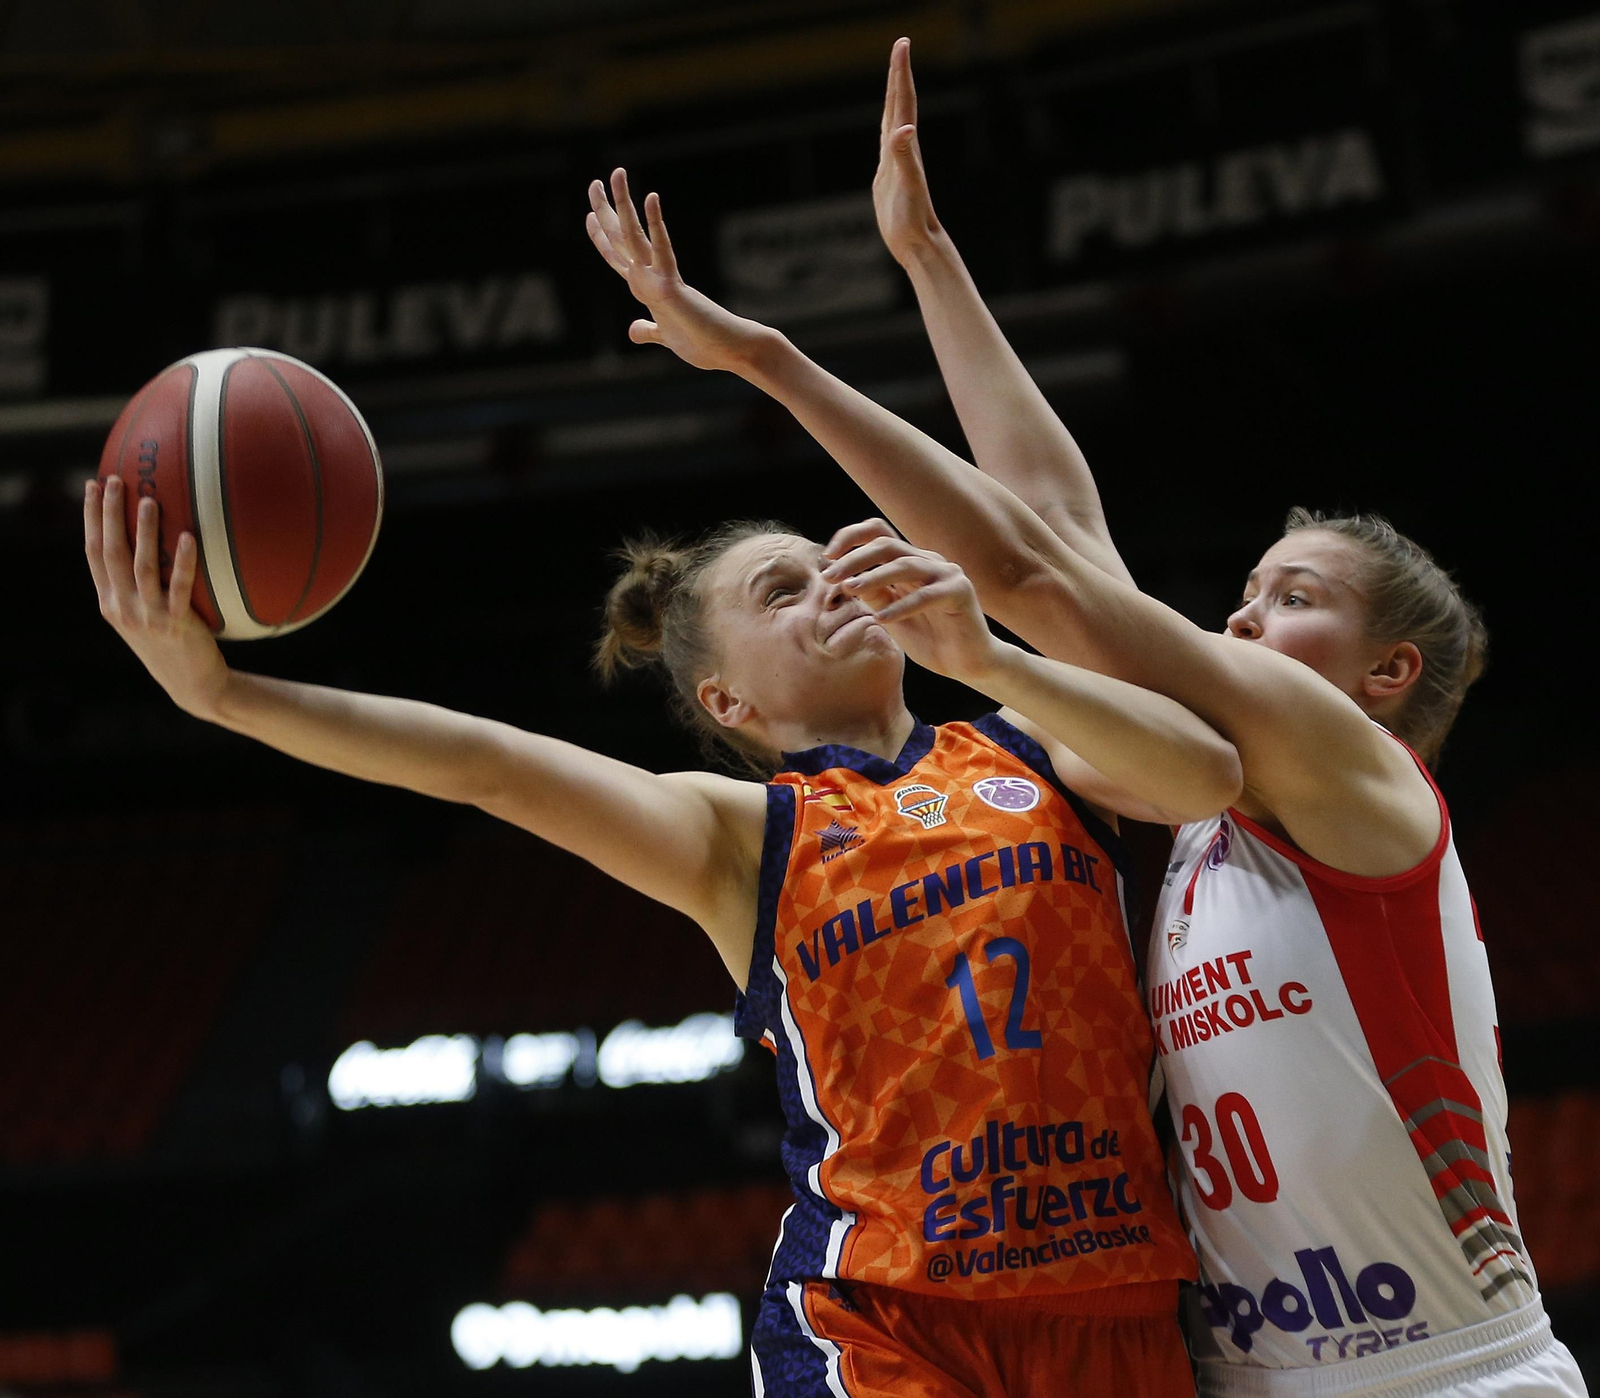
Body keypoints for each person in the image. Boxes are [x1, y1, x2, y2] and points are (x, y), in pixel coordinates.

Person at [584, 41, 1588, 1398]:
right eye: (1242, 589)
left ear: (1387, 676)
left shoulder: (1357, 778)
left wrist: (770, 362)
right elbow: (1058, 519)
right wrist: (931, 258)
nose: (1239, 622)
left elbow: (1030, 571)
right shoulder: (1194, 811)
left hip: (1443, 1375)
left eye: (1291, 599)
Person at [85, 465, 1240, 1394]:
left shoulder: (1032, 743)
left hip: (1116, 1306)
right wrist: (225, 697)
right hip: (886, 1322)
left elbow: (1202, 778)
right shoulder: (743, 834)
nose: (829, 588)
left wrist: (989, 652)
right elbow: (486, 767)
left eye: (836, 566)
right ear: (726, 703)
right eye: (781, 591)